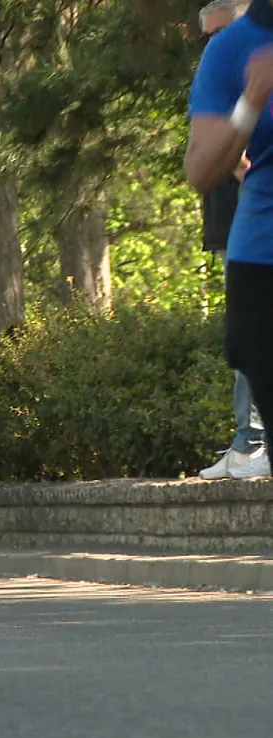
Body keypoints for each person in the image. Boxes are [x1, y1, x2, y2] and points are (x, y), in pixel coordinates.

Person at [187, 0, 273, 484]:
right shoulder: (231, 52)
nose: (209, 40)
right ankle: (251, 441)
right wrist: (251, 101)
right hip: (259, 253)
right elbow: (199, 171)